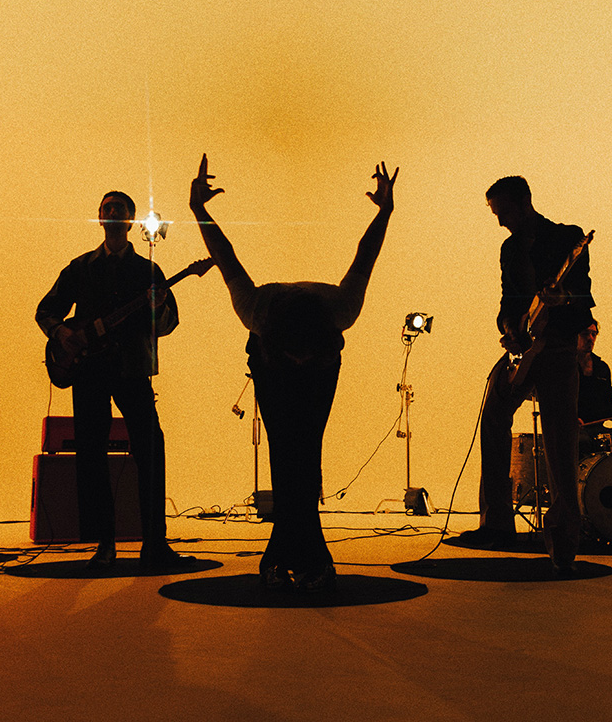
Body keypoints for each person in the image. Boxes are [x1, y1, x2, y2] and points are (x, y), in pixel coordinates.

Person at [189, 154, 395, 592]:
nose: (300, 363)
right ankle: (298, 552)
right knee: (285, 448)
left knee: (305, 449)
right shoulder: (255, 310)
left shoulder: (340, 309)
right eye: (295, 358)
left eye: (306, 358)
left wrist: (385, 213)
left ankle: (295, 552)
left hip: (320, 363)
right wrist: (198, 210)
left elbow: (366, 256)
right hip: (272, 366)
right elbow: (224, 256)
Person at [36, 191, 192, 569]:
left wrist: (158, 308)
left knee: (150, 450)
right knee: (91, 455)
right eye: (107, 209)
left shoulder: (148, 271)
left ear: (131, 220)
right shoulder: (80, 267)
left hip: (132, 369)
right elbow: (46, 310)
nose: (112, 213)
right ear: (100, 217)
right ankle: (103, 544)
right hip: (88, 371)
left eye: (119, 209)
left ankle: (154, 543)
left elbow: (167, 324)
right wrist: (62, 334)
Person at [450, 176, 594, 576]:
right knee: (493, 416)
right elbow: (507, 300)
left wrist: (562, 299)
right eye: (496, 214)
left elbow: (584, 296)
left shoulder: (567, 237)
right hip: (522, 350)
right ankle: (496, 523)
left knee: (560, 443)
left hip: (558, 348)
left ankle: (563, 546)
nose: (500, 222)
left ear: (525, 203)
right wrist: (508, 327)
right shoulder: (509, 249)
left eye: (504, 212)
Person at [576, 318, 612, 439]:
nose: (590, 338)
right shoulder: (566, 367)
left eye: (594, 334)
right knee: (583, 441)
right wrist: (570, 419)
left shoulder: (602, 367)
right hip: (573, 432)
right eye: (585, 334)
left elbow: (606, 401)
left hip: (598, 430)